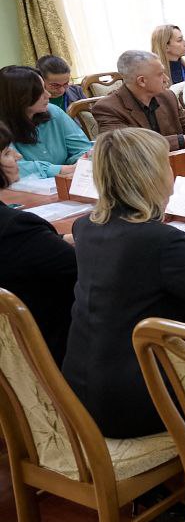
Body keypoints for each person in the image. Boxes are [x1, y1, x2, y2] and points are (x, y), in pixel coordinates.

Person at [62, 128, 185, 438]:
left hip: (80, 392)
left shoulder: (86, 227)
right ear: (151, 175)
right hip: (132, 402)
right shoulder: (161, 241)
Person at [0, 120, 78, 363]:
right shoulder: (16, 228)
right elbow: (85, 270)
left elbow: (33, 251)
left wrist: (61, 239)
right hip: (55, 352)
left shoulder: (20, 232)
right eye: (6, 152)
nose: (18, 156)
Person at [91, 50, 185, 150]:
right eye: (160, 74)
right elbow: (125, 146)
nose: (166, 79)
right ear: (142, 81)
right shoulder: (107, 108)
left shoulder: (168, 96)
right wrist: (180, 140)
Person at [0, 64, 91, 178]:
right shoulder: (2, 127)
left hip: (66, 180)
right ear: (20, 97)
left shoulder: (53, 111)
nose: (48, 95)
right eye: (39, 91)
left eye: (44, 88)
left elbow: (82, 148)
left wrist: (82, 163)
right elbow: (10, 168)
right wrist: (60, 170)